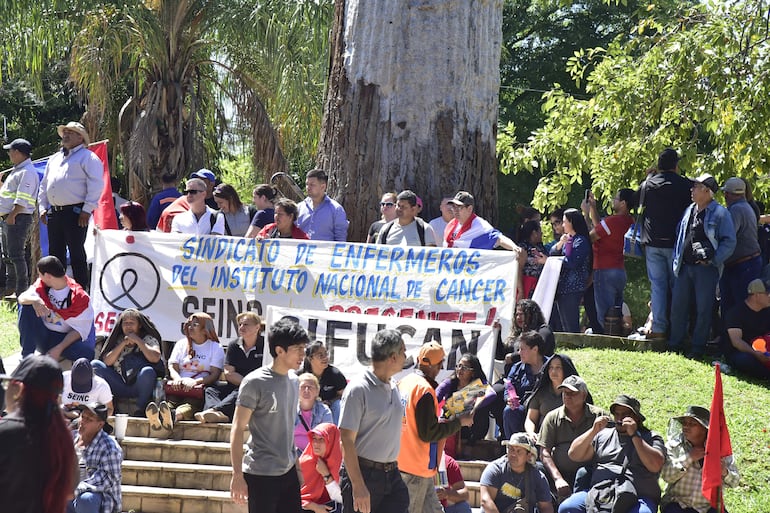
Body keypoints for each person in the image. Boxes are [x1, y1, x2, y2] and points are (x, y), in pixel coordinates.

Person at [229, 318, 309, 513]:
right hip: (261, 473)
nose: (303, 354)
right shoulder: (255, 382)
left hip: (288, 472)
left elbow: (288, 427)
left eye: (304, 348)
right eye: (297, 348)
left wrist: (296, 467)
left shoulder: (294, 380)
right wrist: (237, 475)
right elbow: (237, 428)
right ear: (279, 350)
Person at [338, 329, 409, 513]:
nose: (406, 356)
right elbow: (345, 439)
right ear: (393, 357)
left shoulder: (393, 386)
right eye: (403, 351)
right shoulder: (358, 389)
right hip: (364, 475)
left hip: (392, 475)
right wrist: (358, 485)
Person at [397, 342, 473, 513]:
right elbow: (429, 433)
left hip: (409, 464)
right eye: (440, 364)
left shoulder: (404, 382)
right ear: (438, 365)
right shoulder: (424, 390)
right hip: (414, 468)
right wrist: (459, 422)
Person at [559, 394, 666, 513]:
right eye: (617, 414)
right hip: (600, 493)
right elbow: (574, 454)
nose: (620, 418)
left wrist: (635, 435)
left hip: (638, 497)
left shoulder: (651, 438)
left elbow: (655, 466)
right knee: (568, 508)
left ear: (636, 418)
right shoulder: (603, 435)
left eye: (625, 415)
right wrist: (593, 431)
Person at [670, 174, 736, 358]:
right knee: (678, 306)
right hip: (684, 266)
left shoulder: (720, 213)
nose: (692, 190)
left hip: (706, 270)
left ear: (707, 191)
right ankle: (675, 344)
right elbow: (680, 233)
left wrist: (713, 259)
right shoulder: (690, 209)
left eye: (696, 187)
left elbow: (729, 242)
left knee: (704, 309)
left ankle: (697, 348)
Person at [0, 355, 76, 513]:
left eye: (7, 384)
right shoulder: (64, 439)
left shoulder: (5, 433)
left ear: (19, 388)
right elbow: (70, 492)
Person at [38, 121, 104, 289]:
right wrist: (43, 207)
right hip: (55, 212)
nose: (65, 135)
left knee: (76, 253)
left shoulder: (88, 157)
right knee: (56, 254)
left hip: (76, 212)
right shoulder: (54, 158)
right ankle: (56, 289)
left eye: (70, 132)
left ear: (80, 137)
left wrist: (87, 209)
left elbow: (96, 184)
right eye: (64, 132)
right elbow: (44, 185)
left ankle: (82, 290)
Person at [637, 149, 693, 340]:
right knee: (677, 286)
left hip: (652, 241)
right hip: (676, 242)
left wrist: (649, 177)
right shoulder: (685, 185)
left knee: (658, 286)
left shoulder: (649, 185)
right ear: (676, 165)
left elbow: (636, 200)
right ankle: (679, 329)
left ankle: (659, 328)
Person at [146, 312, 224, 430]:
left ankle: (173, 417)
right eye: (189, 324)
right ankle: (159, 416)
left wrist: (195, 382)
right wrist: (177, 378)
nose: (190, 327)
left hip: (198, 390)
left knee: (189, 405)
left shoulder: (215, 347)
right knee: (169, 403)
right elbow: (173, 365)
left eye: (195, 325)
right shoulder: (181, 344)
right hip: (178, 387)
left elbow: (215, 374)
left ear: (205, 329)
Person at [660, 406, 739, 513]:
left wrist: (724, 472)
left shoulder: (720, 450)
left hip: (707, 507)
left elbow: (735, 482)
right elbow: (667, 476)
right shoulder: (673, 446)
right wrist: (689, 458)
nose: (686, 427)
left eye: (692, 424)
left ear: (704, 428)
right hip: (677, 503)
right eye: (684, 423)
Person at [17, 255, 95, 363]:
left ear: (48, 276)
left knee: (86, 353)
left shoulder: (80, 297)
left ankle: (55, 353)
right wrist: (35, 300)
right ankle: (26, 357)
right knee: (27, 305)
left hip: (64, 338)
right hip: (44, 334)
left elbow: (79, 331)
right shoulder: (42, 285)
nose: (39, 277)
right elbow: (21, 298)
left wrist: (59, 348)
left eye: (40, 274)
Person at [537, 375, 604, 499]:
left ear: (584, 396)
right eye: (564, 393)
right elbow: (544, 452)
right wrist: (558, 479)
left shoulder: (598, 416)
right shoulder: (552, 417)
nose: (567, 396)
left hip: (588, 471)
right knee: (537, 468)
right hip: (558, 471)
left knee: (584, 473)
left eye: (572, 393)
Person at [92, 308, 164, 416]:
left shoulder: (148, 339)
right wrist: (124, 343)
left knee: (148, 371)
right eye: (125, 323)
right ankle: (109, 406)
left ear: (139, 325)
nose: (128, 326)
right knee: (95, 365)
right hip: (120, 384)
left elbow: (155, 358)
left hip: (138, 385)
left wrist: (137, 340)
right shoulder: (118, 339)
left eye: (132, 323)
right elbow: (107, 362)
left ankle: (140, 410)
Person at [195, 311, 264, 423]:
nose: (241, 327)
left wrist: (248, 384)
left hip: (256, 389)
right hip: (236, 385)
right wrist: (245, 382)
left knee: (243, 391)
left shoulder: (265, 346)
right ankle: (219, 416)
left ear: (257, 327)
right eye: (240, 324)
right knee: (211, 390)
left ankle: (214, 411)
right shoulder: (234, 345)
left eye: (245, 324)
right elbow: (229, 373)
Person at [584, 189, 635, 333]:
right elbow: (601, 228)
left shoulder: (612, 221)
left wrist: (586, 215)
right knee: (616, 311)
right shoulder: (630, 221)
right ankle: (617, 337)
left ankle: (605, 339)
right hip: (619, 270)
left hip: (604, 270)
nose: (613, 200)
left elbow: (591, 237)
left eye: (616, 198)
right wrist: (593, 207)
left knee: (604, 313)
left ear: (623, 203)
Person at [540, 208, 592, 333]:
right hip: (562, 286)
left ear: (572, 222)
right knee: (564, 321)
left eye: (564, 222)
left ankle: (574, 344)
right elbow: (553, 252)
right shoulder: (568, 238)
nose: (562, 225)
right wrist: (560, 243)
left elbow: (572, 262)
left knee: (571, 321)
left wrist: (549, 261)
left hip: (573, 286)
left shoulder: (581, 241)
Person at [1, 138, 39, 299]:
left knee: (16, 254)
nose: (9, 154)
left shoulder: (27, 172)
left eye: (10, 151)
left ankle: (20, 288)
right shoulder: (16, 171)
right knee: (8, 254)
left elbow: (22, 198)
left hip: (18, 217)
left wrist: (13, 215)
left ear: (17, 152)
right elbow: (8, 195)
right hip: (8, 217)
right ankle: (10, 286)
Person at [68, 402, 123, 513]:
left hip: (99, 499)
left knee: (86, 499)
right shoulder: (71, 438)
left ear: (100, 425)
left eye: (89, 419)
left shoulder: (110, 447)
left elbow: (106, 479)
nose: (82, 421)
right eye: (82, 416)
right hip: (71, 494)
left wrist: (75, 490)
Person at [479, 432, 555, 513]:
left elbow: (546, 507)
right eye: (511, 449)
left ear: (528, 455)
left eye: (519, 451)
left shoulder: (538, 477)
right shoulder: (495, 469)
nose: (513, 454)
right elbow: (485, 501)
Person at [720, 177, 762, 317]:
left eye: (727, 193)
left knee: (737, 305)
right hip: (746, 263)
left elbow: (728, 235)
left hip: (742, 265)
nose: (725, 196)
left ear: (729, 194)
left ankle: (734, 336)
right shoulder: (747, 207)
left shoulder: (736, 210)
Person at [435, 352, 496, 445]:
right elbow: (435, 397)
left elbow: (492, 394)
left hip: (474, 426)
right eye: (458, 366)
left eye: (464, 368)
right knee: (452, 404)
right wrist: (463, 402)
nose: (460, 370)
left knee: (478, 392)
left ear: (473, 372)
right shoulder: (450, 382)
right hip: (454, 425)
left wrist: (473, 407)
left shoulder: (479, 383)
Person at [499, 330, 548, 438]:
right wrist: (509, 399)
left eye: (522, 349)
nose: (519, 353)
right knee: (509, 411)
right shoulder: (516, 368)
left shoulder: (550, 367)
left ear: (535, 349)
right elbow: (508, 386)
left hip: (544, 410)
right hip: (522, 409)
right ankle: (515, 447)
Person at [523, 354, 582, 438]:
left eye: (558, 367)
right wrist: (531, 433)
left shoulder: (576, 393)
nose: (553, 371)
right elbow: (530, 419)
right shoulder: (541, 392)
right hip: (543, 438)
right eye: (551, 367)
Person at [444, 191, 521, 253]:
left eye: (459, 207)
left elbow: (498, 238)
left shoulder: (480, 225)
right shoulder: (450, 225)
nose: (455, 211)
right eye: (453, 207)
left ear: (469, 209)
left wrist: (514, 247)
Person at [723, 278, 770, 380]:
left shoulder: (767, 311)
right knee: (745, 360)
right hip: (742, 352)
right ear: (756, 295)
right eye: (768, 294)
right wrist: (756, 354)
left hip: (764, 350)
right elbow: (736, 341)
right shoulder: (736, 313)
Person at [300, 422, 343, 513]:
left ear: (331, 442)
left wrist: (326, 475)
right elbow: (289, 496)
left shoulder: (341, 464)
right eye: (314, 438)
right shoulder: (305, 462)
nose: (315, 443)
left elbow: (341, 499)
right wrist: (314, 507)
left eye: (321, 439)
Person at [301, 340, 347, 424]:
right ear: (310, 358)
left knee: (338, 404)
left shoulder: (335, 374)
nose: (325, 357)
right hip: (308, 409)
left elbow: (345, 397)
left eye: (326, 354)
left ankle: (336, 434)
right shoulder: (301, 376)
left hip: (330, 410)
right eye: (320, 355)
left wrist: (330, 402)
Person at [297, 168, 349, 241]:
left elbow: (340, 239)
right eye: (307, 184)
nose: (308, 188)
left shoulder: (336, 210)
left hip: (325, 252)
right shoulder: (299, 208)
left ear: (323, 187)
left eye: (312, 185)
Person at [62, 358, 114, 422]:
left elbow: (109, 409)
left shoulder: (101, 386)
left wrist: (91, 418)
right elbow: (53, 402)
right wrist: (66, 413)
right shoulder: (64, 378)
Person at [294, 373, 333, 456]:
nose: (306, 390)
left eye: (311, 387)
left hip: (314, 457)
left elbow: (327, 437)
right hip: (292, 456)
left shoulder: (324, 411)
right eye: (303, 387)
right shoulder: (290, 409)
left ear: (317, 391)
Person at [519, 220, 547, 298]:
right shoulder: (523, 248)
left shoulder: (541, 247)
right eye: (540, 231)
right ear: (534, 233)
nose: (542, 233)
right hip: (527, 285)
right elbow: (519, 268)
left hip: (541, 285)